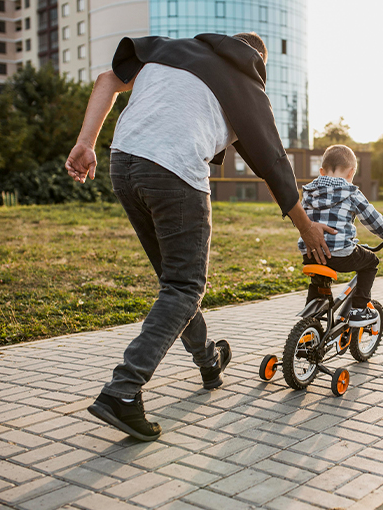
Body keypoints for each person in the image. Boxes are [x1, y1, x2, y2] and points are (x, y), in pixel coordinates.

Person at [65, 32, 336, 442]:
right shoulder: (246, 85)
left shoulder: (172, 50)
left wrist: (86, 143)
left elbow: (107, 79)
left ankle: (209, 361)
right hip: (173, 171)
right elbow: (275, 165)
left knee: (175, 283)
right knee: (185, 287)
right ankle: (123, 390)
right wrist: (306, 226)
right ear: (257, 62)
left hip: (123, 162)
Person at [299, 145, 383, 326]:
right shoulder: (350, 192)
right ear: (351, 172)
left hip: (310, 253)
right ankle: (359, 309)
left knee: (319, 282)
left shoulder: (309, 191)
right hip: (340, 254)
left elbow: (301, 219)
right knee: (371, 262)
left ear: (321, 171)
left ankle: (310, 322)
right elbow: (373, 219)